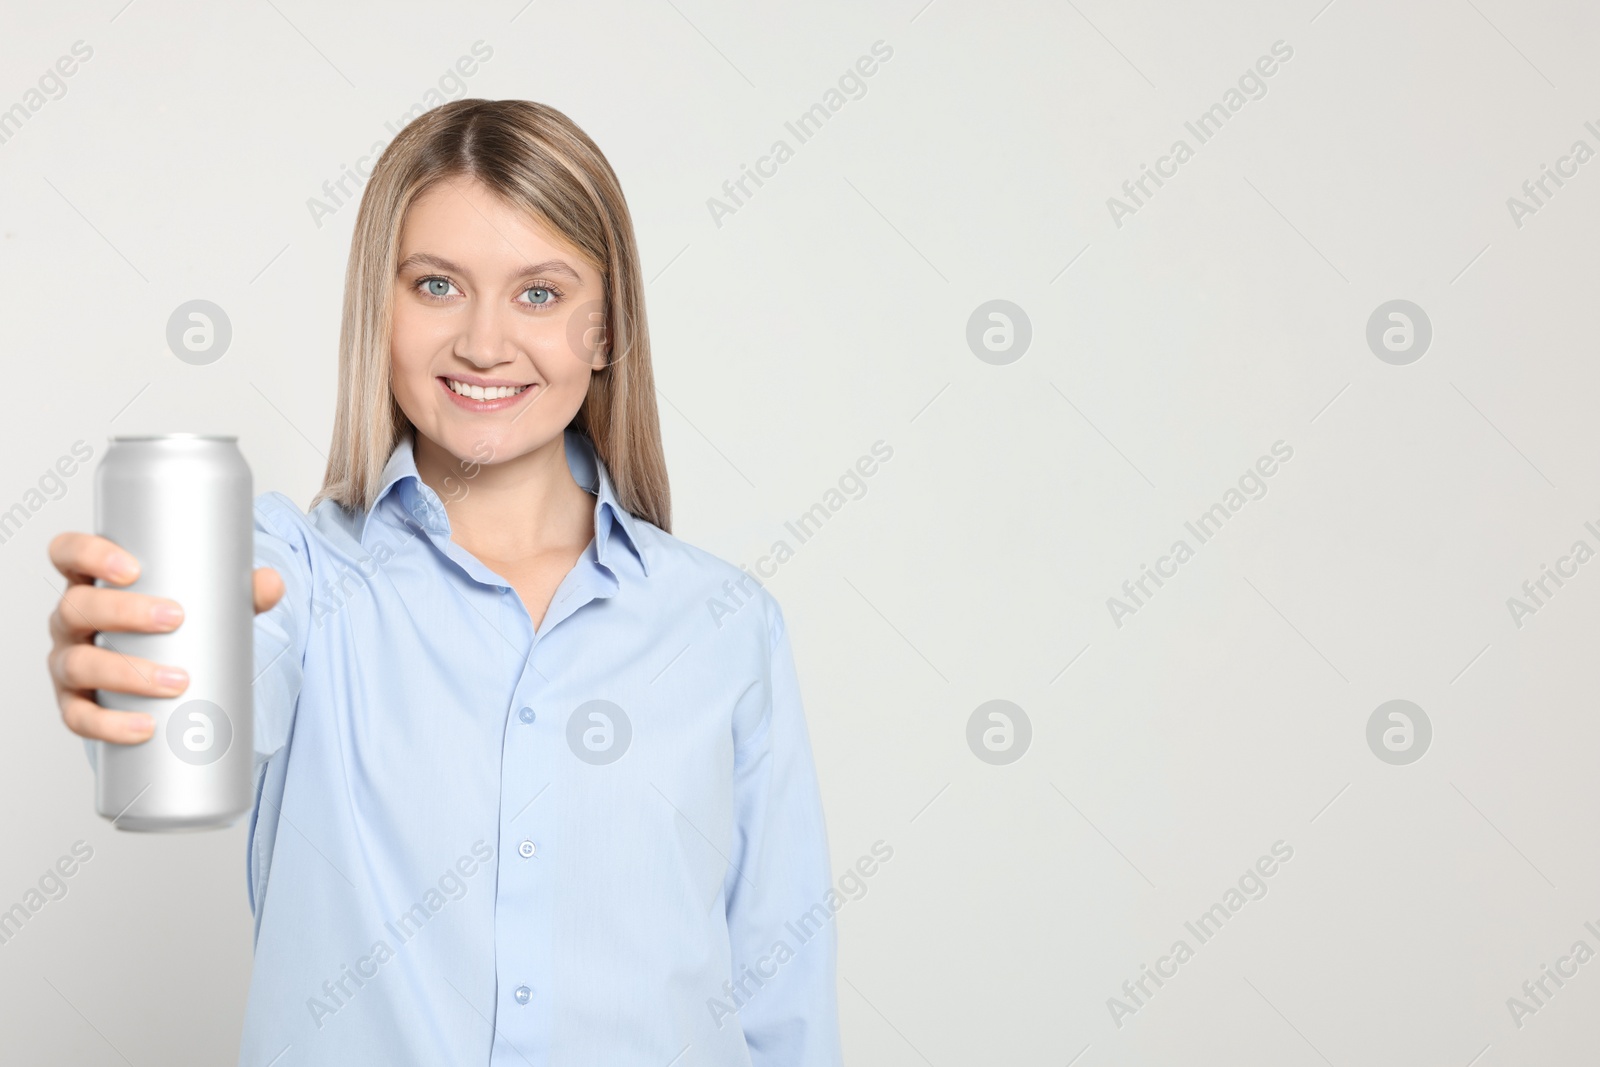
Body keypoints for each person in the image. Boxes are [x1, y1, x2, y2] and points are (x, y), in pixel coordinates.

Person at [46, 98, 841, 1066]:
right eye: (436, 285)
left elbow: (780, 993)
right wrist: (127, 670)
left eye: (539, 294)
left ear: (604, 331)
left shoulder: (723, 625)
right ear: (378, 310)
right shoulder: (294, 574)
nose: (483, 343)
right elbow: (173, 735)